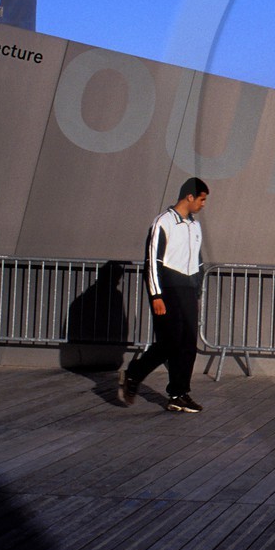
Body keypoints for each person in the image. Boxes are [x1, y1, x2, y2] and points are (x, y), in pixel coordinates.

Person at [118, 177, 208, 413]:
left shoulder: (194, 225)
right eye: (202, 199)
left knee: (188, 343)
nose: (203, 204)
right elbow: (152, 262)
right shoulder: (163, 222)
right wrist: (156, 295)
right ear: (190, 196)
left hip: (188, 290)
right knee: (169, 341)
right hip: (167, 289)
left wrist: (197, 289)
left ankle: (178, 394)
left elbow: (197, 260)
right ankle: (133, 375)